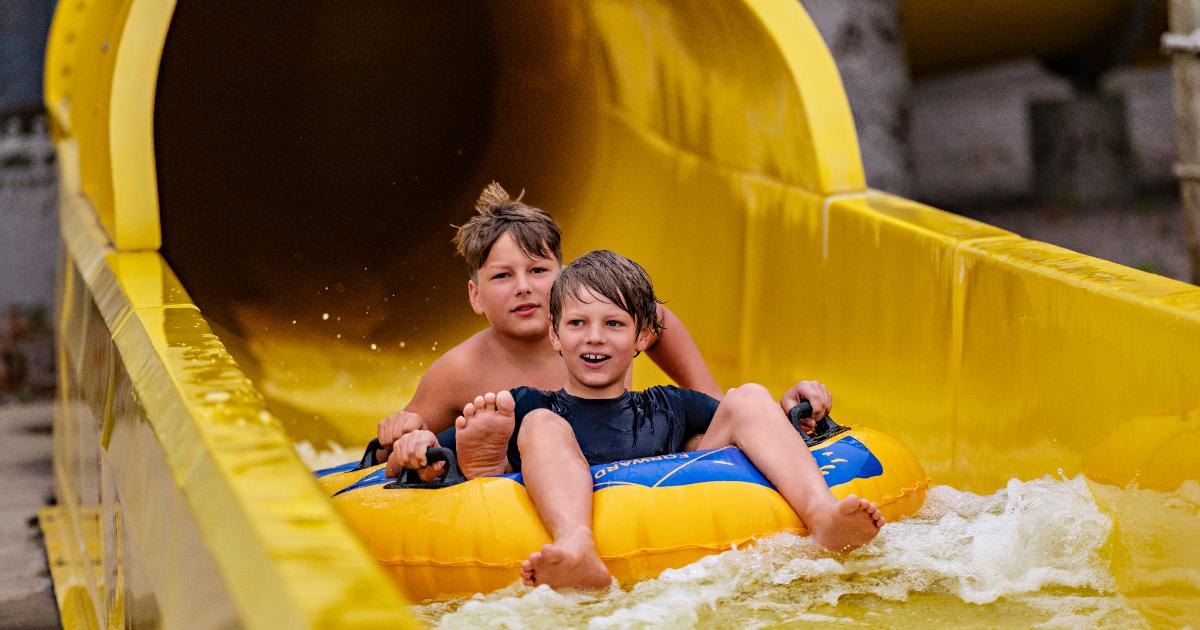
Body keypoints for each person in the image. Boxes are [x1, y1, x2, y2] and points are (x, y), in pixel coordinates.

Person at [393, 250, 886, 591]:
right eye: (578, 324)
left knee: (749, 398)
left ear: (644, 336)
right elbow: (414, 461)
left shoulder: (671, 405)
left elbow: (761, 426)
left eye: (614, 324)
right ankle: (573, 541)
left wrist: (800, 410)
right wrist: (418, 451)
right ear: (555, 335)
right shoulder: (522, 404)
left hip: (674, 493)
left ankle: (822, 514)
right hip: (546, 455)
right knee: (539, 424)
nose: (595, 338)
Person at [377, 182, 722, 479]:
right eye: (502, 276)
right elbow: (388, 461)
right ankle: (491, 469)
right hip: (533, 469)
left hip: (620, 453)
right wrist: (400, 436)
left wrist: (719, 410)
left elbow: (711, 403)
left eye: (538, 270)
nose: (523, 287)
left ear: (564, 276)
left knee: (694, 438)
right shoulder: (459, 370)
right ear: (475, 295)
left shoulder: (616, 319)